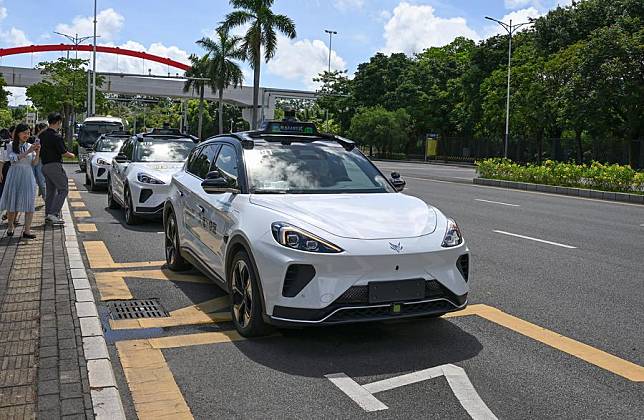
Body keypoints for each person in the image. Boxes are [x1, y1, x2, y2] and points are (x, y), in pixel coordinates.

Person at [0, 123, 41, 238]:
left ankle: (27, 230)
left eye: (28, 133)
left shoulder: (30, 145)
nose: (26, 135)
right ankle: (10, 227)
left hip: (27, 175)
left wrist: (37, 152)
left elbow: (34, 163)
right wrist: (28, 151)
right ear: (18, 133)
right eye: (24, 133)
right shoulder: (10, 145)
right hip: (14, 174)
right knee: (12, 202)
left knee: (29, 202)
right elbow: (13, 160)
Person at [40, 113, 75, 225]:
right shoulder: (56, 136)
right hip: (54, 165)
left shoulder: (42, 135)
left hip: (44, 165)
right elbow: (64, 152)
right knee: (63, 189)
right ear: (58, 122)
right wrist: (72, 155)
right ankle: (53, 214)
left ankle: (48, 215)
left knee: (51, 191)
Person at [29, 122, 48, 197]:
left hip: (40, 160)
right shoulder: (32, 138)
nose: (46, 131)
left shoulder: (46, 138)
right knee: (33, 180)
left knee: (41, 180)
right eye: (44, 129)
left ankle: (45, 198)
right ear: (39, 129)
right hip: (31, 160)